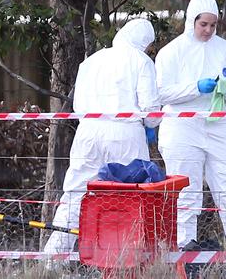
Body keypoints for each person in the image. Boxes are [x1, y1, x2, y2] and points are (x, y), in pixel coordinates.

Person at [155, 0, 226, 253]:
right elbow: (161, 92)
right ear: (192, 20)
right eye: (203, 24)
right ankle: (182, 250)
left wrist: (225, 88)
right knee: (184, 189)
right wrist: (196, 88)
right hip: (183, 128)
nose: (208, 30)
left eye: (213, 25)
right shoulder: (172, 52)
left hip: (220, 127)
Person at [44, 19, 161, 254]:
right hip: (125, 133)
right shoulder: (141, 61)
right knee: (130, 196)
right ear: (144, 42)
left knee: (76, 194)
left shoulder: (91, 61)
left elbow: (78, 106)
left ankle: (54, 256)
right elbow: (151, 109)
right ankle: (123, 257)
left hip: (88, 132)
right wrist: (151, 124)